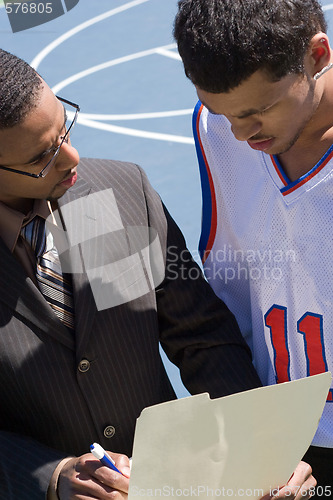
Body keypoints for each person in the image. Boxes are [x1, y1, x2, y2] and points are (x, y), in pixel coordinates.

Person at [0, 48, 314, 500]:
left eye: (64, 127)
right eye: (42, 157)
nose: (73, 158)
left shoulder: (115, 195)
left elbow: (200, 335)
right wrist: (48, 477)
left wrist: (262, 447)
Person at [174, 0, 333, 495]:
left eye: (259, 110)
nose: (242, 133)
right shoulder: (216, 128)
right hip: (278, 432)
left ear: (317, 55)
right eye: (224, 111)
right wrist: (246, 420)